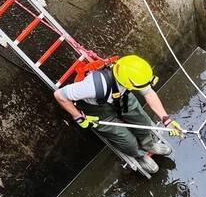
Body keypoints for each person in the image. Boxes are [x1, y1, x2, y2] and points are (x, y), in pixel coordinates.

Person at [54, 55, 183, 173]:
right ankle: (139, 155)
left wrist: (166, 120)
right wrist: (79, 117)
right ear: (129, 82)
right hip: (98, 110)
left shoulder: (133, 73)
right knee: (127, 141)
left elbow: (149, 93)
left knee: (143, 120)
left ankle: (148, 144)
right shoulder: (92, 86)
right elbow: (59, 95)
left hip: (121, 98)